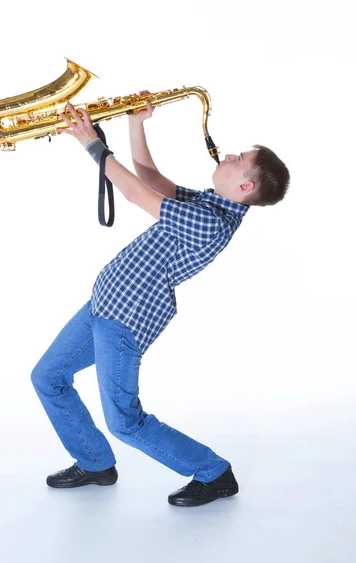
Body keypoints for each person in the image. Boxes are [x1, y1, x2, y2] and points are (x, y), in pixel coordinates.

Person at [30, 93, 290, 507]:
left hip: (124, 321)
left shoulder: (210, 222)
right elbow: (149, 179)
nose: (227, 154)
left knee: (126, 423)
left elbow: (134, 194)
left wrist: (92, 144)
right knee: (47, 377)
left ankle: (215, 473)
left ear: (246, 186)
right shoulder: (208, 202)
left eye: (238, 158)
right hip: (103, 305)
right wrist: (137, 123)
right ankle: (95, 463)